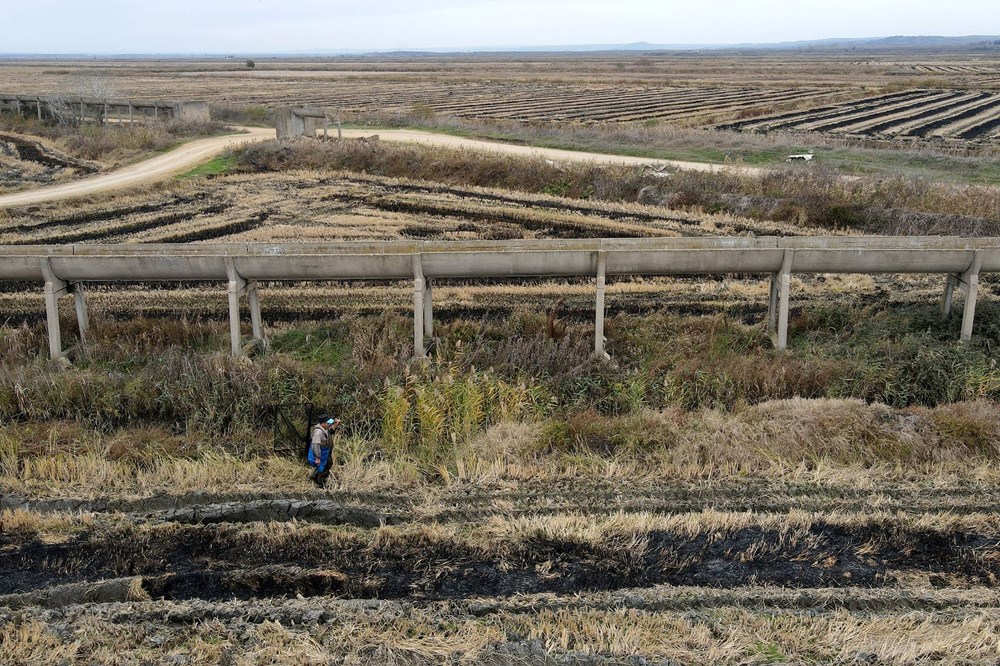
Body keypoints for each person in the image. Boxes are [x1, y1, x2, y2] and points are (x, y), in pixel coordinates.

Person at [308, 414, 341, 487]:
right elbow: (315, 445)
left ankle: (315, 477)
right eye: (328, 423)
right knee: (325, 466)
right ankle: (320, 482)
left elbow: (331, 431)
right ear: (322, 423)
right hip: (321, 453)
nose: (330, 424)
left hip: (326, 452)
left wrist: (336, 423)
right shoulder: (318, 433)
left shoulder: (325, 428)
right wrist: (317, 458)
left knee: (327, 464)